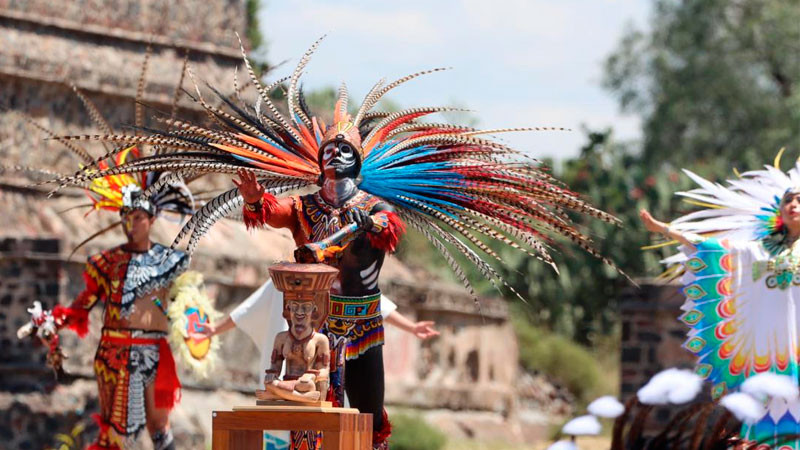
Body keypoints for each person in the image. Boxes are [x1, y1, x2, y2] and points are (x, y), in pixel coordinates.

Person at [68, 37, 621, 448]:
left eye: (342, 151)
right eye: (327, 152)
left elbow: (384, 233)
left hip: (363, 322)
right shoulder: (306, 206)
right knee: (313, 407)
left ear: (357, 159)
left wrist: (349, 232)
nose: (332, 157)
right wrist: (256, 198)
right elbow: (276, 213)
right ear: (317, 160)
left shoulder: (375, 208)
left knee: (369, 409)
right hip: (315, 322)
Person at [640, 160, 800, 446]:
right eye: (788, 199)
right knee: (768, 407)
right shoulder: (759, 251)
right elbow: (711, 248)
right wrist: (665, 229)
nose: (793, 204)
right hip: (770, 348)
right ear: (779, 210)